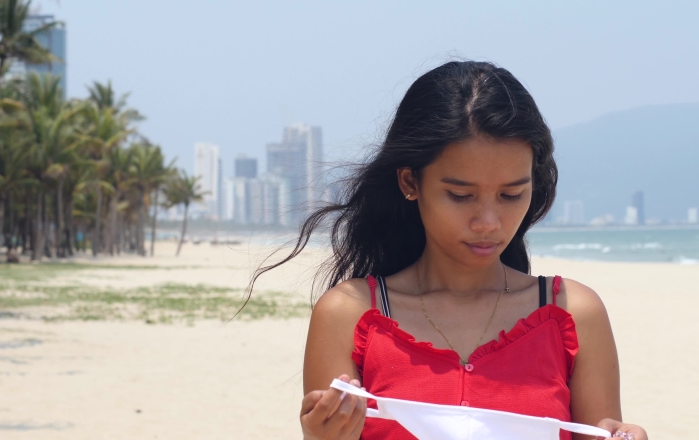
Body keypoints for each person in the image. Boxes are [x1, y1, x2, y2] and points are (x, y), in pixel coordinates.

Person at [261, 61, 648, 439]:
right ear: (410, 182)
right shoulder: (348, 314)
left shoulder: (573, 313)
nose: (489, 222)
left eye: (512, 194)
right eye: (461, 195)